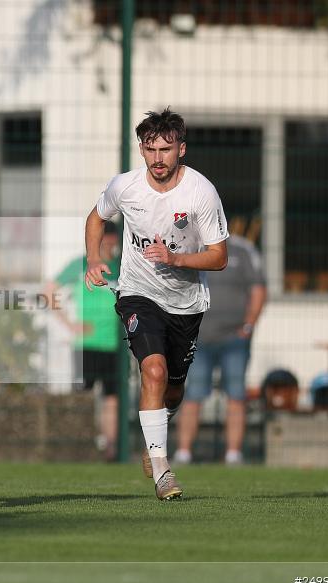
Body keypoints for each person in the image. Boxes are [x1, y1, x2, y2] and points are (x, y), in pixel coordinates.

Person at [84, 108, 228, 500]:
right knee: (153, 369)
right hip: (137, 293)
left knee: (173, 389)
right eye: (150, 150)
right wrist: (94, 259)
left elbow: (218, 256)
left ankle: (159, 427)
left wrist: (176, 259)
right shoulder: (126, 187)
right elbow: (96, 218)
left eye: (166, 149)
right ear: (142, 150)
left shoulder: (200, 192)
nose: (158, 158)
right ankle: (161, 468)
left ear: (181, 148)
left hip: (186, 304)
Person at [174, 235, 267, 465]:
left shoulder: (243, 250)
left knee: (236, 395)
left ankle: (233, 454)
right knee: (193, 394)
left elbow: (258, 290)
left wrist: (248, 326)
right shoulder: (189, 246)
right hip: (198, 338)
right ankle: (183, 453)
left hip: (234, 339)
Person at [45, 220, 121, 460]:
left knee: (112, 398)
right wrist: (69, 324)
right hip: (86, 343)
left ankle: (111, 448)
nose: (109, 244)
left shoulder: (121, 267)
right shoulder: (80, 265)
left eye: (112, 240)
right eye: (105, 240)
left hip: (114, 344)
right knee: (84, 397)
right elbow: (48, 291)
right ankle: (83, 446)